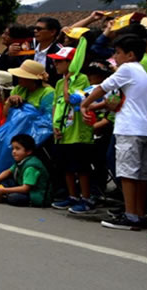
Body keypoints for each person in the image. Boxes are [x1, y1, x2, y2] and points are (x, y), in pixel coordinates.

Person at [82, 35, 147, 231]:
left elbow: (102, 87)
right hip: (146, 128)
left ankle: (130, 216)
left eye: (118, 53)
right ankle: (138, 213)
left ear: (130, 55)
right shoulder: (141, 72)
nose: (115, 57)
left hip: (130, 128)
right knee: (140, 174)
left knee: (127, 173)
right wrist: (100, 106)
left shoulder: (128, 68)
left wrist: (85, 104)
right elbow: (114, 99)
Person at [49, 47, 96, 214]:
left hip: (78, 132)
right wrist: (54, 125)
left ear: (72, 63)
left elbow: (70, 99)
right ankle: (72, 196)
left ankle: (86, 198)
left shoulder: (82, 79)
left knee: (80, 166)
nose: (55, 64)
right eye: (54, 61)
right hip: (63, 132)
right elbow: (56, 105)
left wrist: (68, 81)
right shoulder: (59, 82)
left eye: (59, 61)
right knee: (66, 166)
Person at [0, 134, 50, 207]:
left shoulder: (31, 167)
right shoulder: (22, 161)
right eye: (13, 148)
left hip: (34, 195)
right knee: (4, 181)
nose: (14, 151)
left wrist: (4, 190)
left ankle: (2, 197)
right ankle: (0, 194)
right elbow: (8, 171)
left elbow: (25, 189)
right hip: (23, 188)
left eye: (17, 149)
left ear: (28, 151)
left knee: (14, 198)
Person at [33, 17, 63, 84]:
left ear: (52, 32)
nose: (35, 31)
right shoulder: (29, 47)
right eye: (34, 28)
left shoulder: (60, 52)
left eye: (39, 29)